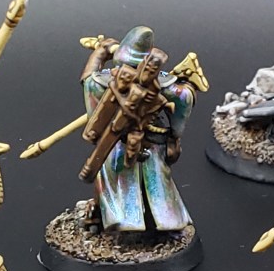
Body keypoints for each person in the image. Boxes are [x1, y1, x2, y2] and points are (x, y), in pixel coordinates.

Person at [80, 26, 198, 234]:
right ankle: (117, 219)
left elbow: (89, 82)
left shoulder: (102, 82)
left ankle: (157, 220)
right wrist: (175, 135)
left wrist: (100, 54)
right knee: (122, 179)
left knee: (139, 180)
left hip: (135, 141)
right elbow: (184, 97)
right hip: (127, 141)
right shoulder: (165, 85)